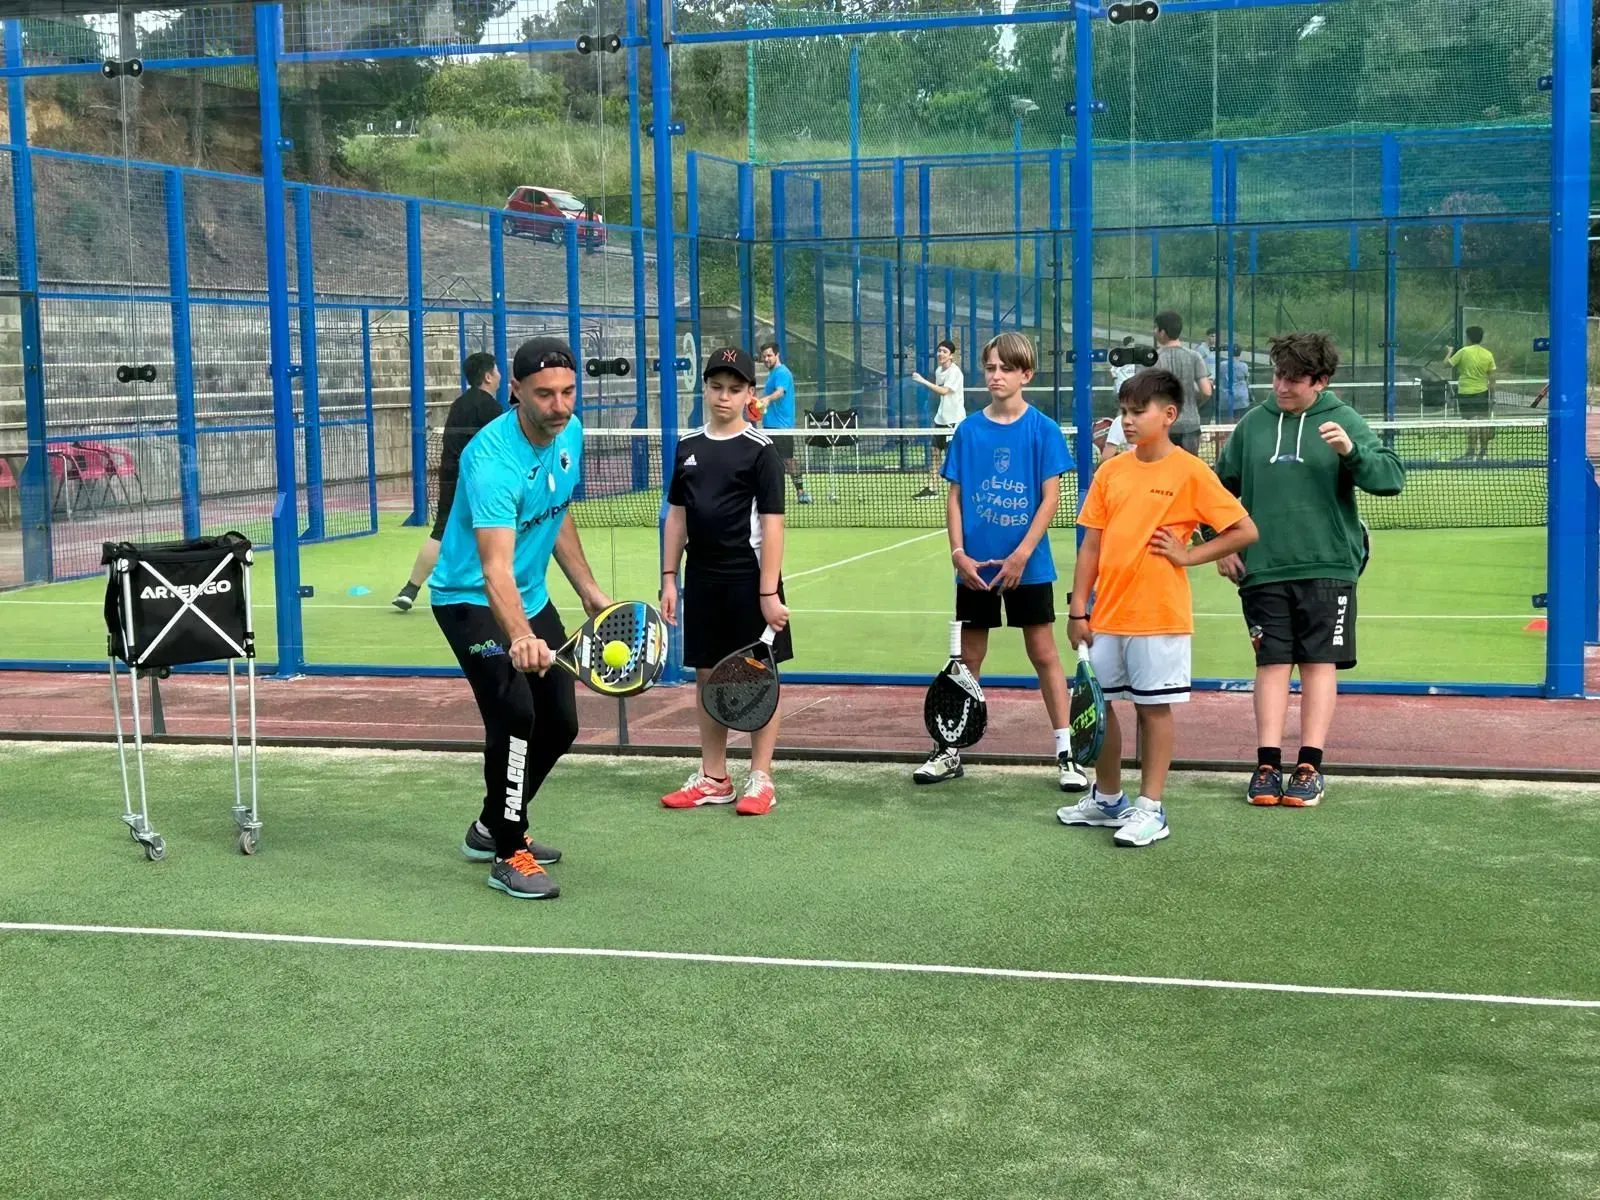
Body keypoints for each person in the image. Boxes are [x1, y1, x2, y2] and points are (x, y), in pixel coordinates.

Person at [429, 336, 611, 900]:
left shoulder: (569, 432)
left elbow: (556, 511)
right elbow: (493, 570)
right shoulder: (491, 461)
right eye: (545, 394)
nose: (560, 405)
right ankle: (508, 852)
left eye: (568, 392)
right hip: (468, 601)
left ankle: (491, 825)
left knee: (561, 723)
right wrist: (521, 637)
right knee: (514, 710)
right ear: (516, 391)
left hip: (529, 595)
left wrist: (588, 590)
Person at [1057, 369, 1257, 847]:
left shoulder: (1190, 471)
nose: (1127, 421)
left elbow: (1244, 530)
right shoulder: (1110, 472)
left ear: (1168, 415)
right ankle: (1108, 800)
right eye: (1123, 412)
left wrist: (1188, 555)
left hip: (1160, 616)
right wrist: (1078, 610)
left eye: (1137, 412)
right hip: (1107, 617)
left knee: (1153, 710)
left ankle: (1150, 808)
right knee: (1100, 707)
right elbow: (1091, 546)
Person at [1212, 332, 1405, 808]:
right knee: (1271, 665)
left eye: (1294, 379)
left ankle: (1309, 768)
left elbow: (1390, 479)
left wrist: (1351, 452)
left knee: (1319, 665)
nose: (1281, 386)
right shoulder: (1253, 424)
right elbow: (1213, 491)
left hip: (1329, 565)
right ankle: (1266, 766)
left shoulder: (1344, 419)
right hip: (1263, 569)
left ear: (1320, 381)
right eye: (1278, 376)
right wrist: (1216, 543)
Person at [913, 331, 1089, 794]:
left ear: (1025, 374)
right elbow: (955, 498)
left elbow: (1051, 499)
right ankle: (949, 750)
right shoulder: (968, 430)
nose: (996, 376)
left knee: (1044, 654)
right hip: (974, 569)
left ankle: (1066, 753)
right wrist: (958, 555)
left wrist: (1021, 554)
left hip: (1029, 567)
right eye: (990, 368)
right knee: (968, 658)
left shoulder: (1043, 430)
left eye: (1006, 369)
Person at [659, 346, 792, 816]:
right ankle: (714, 777)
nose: (723, 396)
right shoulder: (687, 446)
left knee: (759, 675)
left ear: (749, 394)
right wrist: (669, 578)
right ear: (705, 388)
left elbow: (773, 524)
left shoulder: (761, 451)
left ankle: (761, 778)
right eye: (716, 387)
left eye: (734, 389)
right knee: (707, 675)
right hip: (702, 578)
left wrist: (768, 591)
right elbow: (677, 516)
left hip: (749, 579)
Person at [393, 351, 503, 612]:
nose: (500, 375)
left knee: (441, 531)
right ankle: (498, 590)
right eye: (497, 370)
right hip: (480, 482)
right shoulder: (492, 410)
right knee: (498, 530)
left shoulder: (458, 404)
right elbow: (501, 449)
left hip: (450, 476)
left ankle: (410, 589)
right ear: (488, 377)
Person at [910, 339, 966, 499]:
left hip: (953, 421)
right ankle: (932, 488)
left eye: (944, 351)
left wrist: (922, 380)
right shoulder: (939, 371)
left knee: (952, 456)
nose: (940, 354)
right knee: (935, 453)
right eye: (939, 351)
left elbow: (944, 391)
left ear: (951, 356)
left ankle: (960, 489)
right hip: (940, 419)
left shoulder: (955, 372)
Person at [757, 341, 811, 504]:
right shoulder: (772, 373)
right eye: (764, 356)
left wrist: (767, 399)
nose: (766, 359)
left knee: (788, 460)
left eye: (769, 355)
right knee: (769, 462)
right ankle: (770, 494)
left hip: (781, 427)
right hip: (769, 427)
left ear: (777, 355)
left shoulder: (782, 372)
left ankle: (801, 492)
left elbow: (780, 392)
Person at [1154, 311, 1213, 454]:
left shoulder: (1154, 359)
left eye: (1155, 328)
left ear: (1163, 332)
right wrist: (1193, 404)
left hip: (1163, 426)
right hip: (1190, 425)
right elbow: (1206, 391)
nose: (1154, 332)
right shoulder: (1194, 356)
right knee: (1188, 465)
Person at [1445, 326, 1498, 459]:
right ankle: (1483, 453)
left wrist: (1449, 352)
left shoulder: (1463, 352)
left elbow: (1446, 364)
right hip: (1482, 393)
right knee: (1483, 422)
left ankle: (1471, 452)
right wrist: (1492, 397)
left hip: (1465, 393)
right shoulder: (1488, 354)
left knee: (1471, 422)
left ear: (1468, 337)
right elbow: (1492, 379)